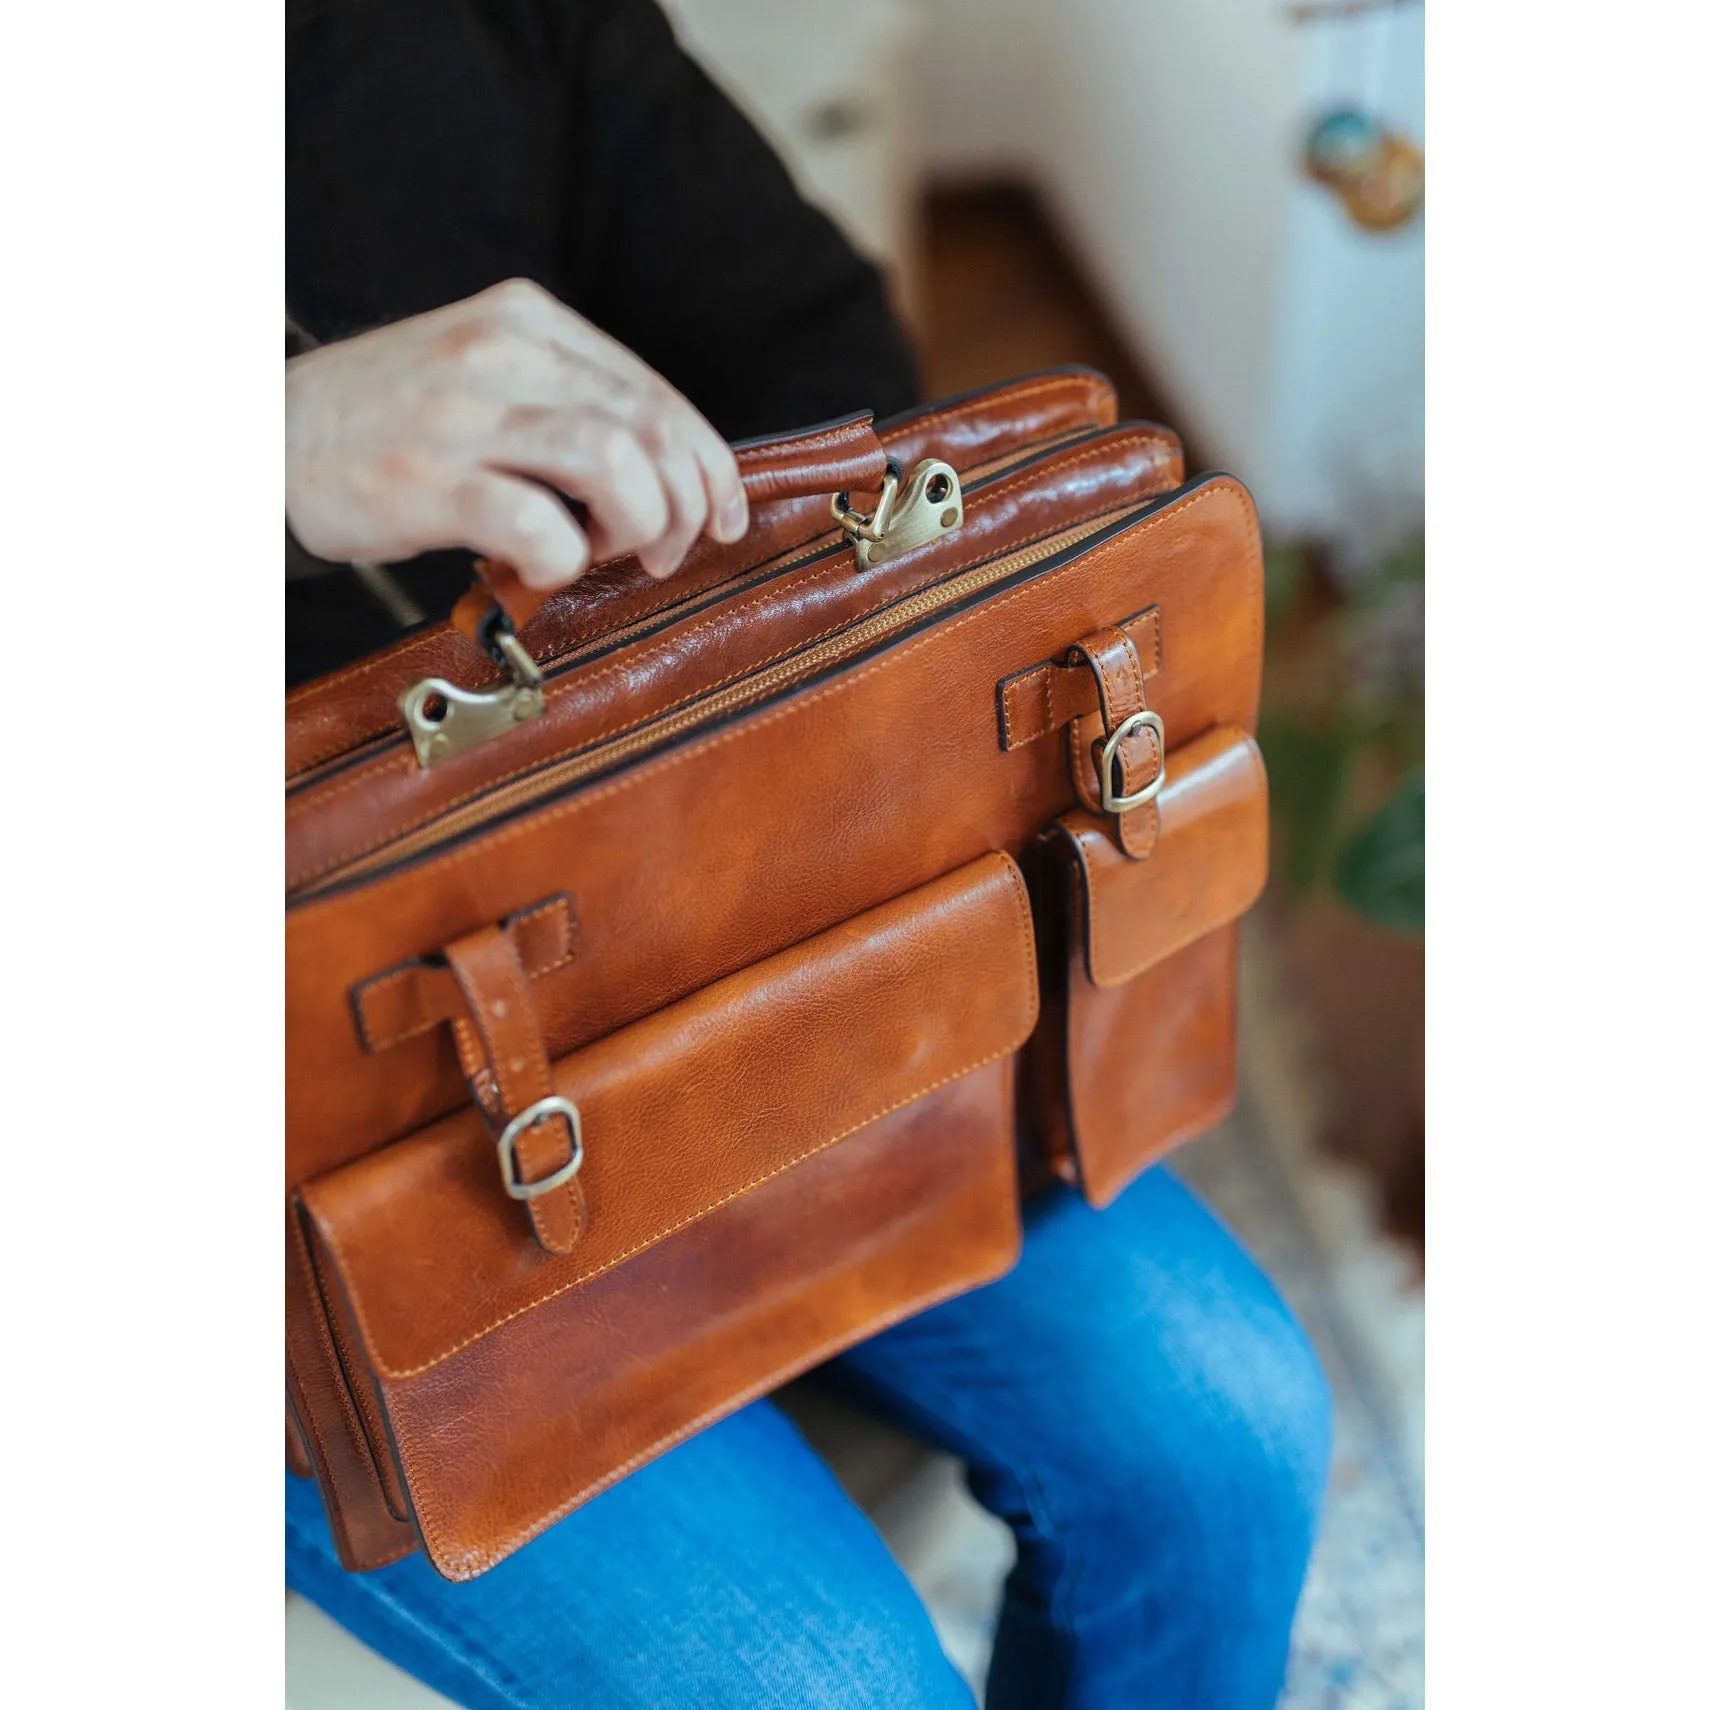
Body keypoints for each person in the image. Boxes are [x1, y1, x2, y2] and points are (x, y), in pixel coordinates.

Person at [285, 4, 1333, 1707]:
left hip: (683, 937)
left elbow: (809, 337)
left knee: (1225, 1436)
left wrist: (733, 600)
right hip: (293, 1159)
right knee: (831, 1686)